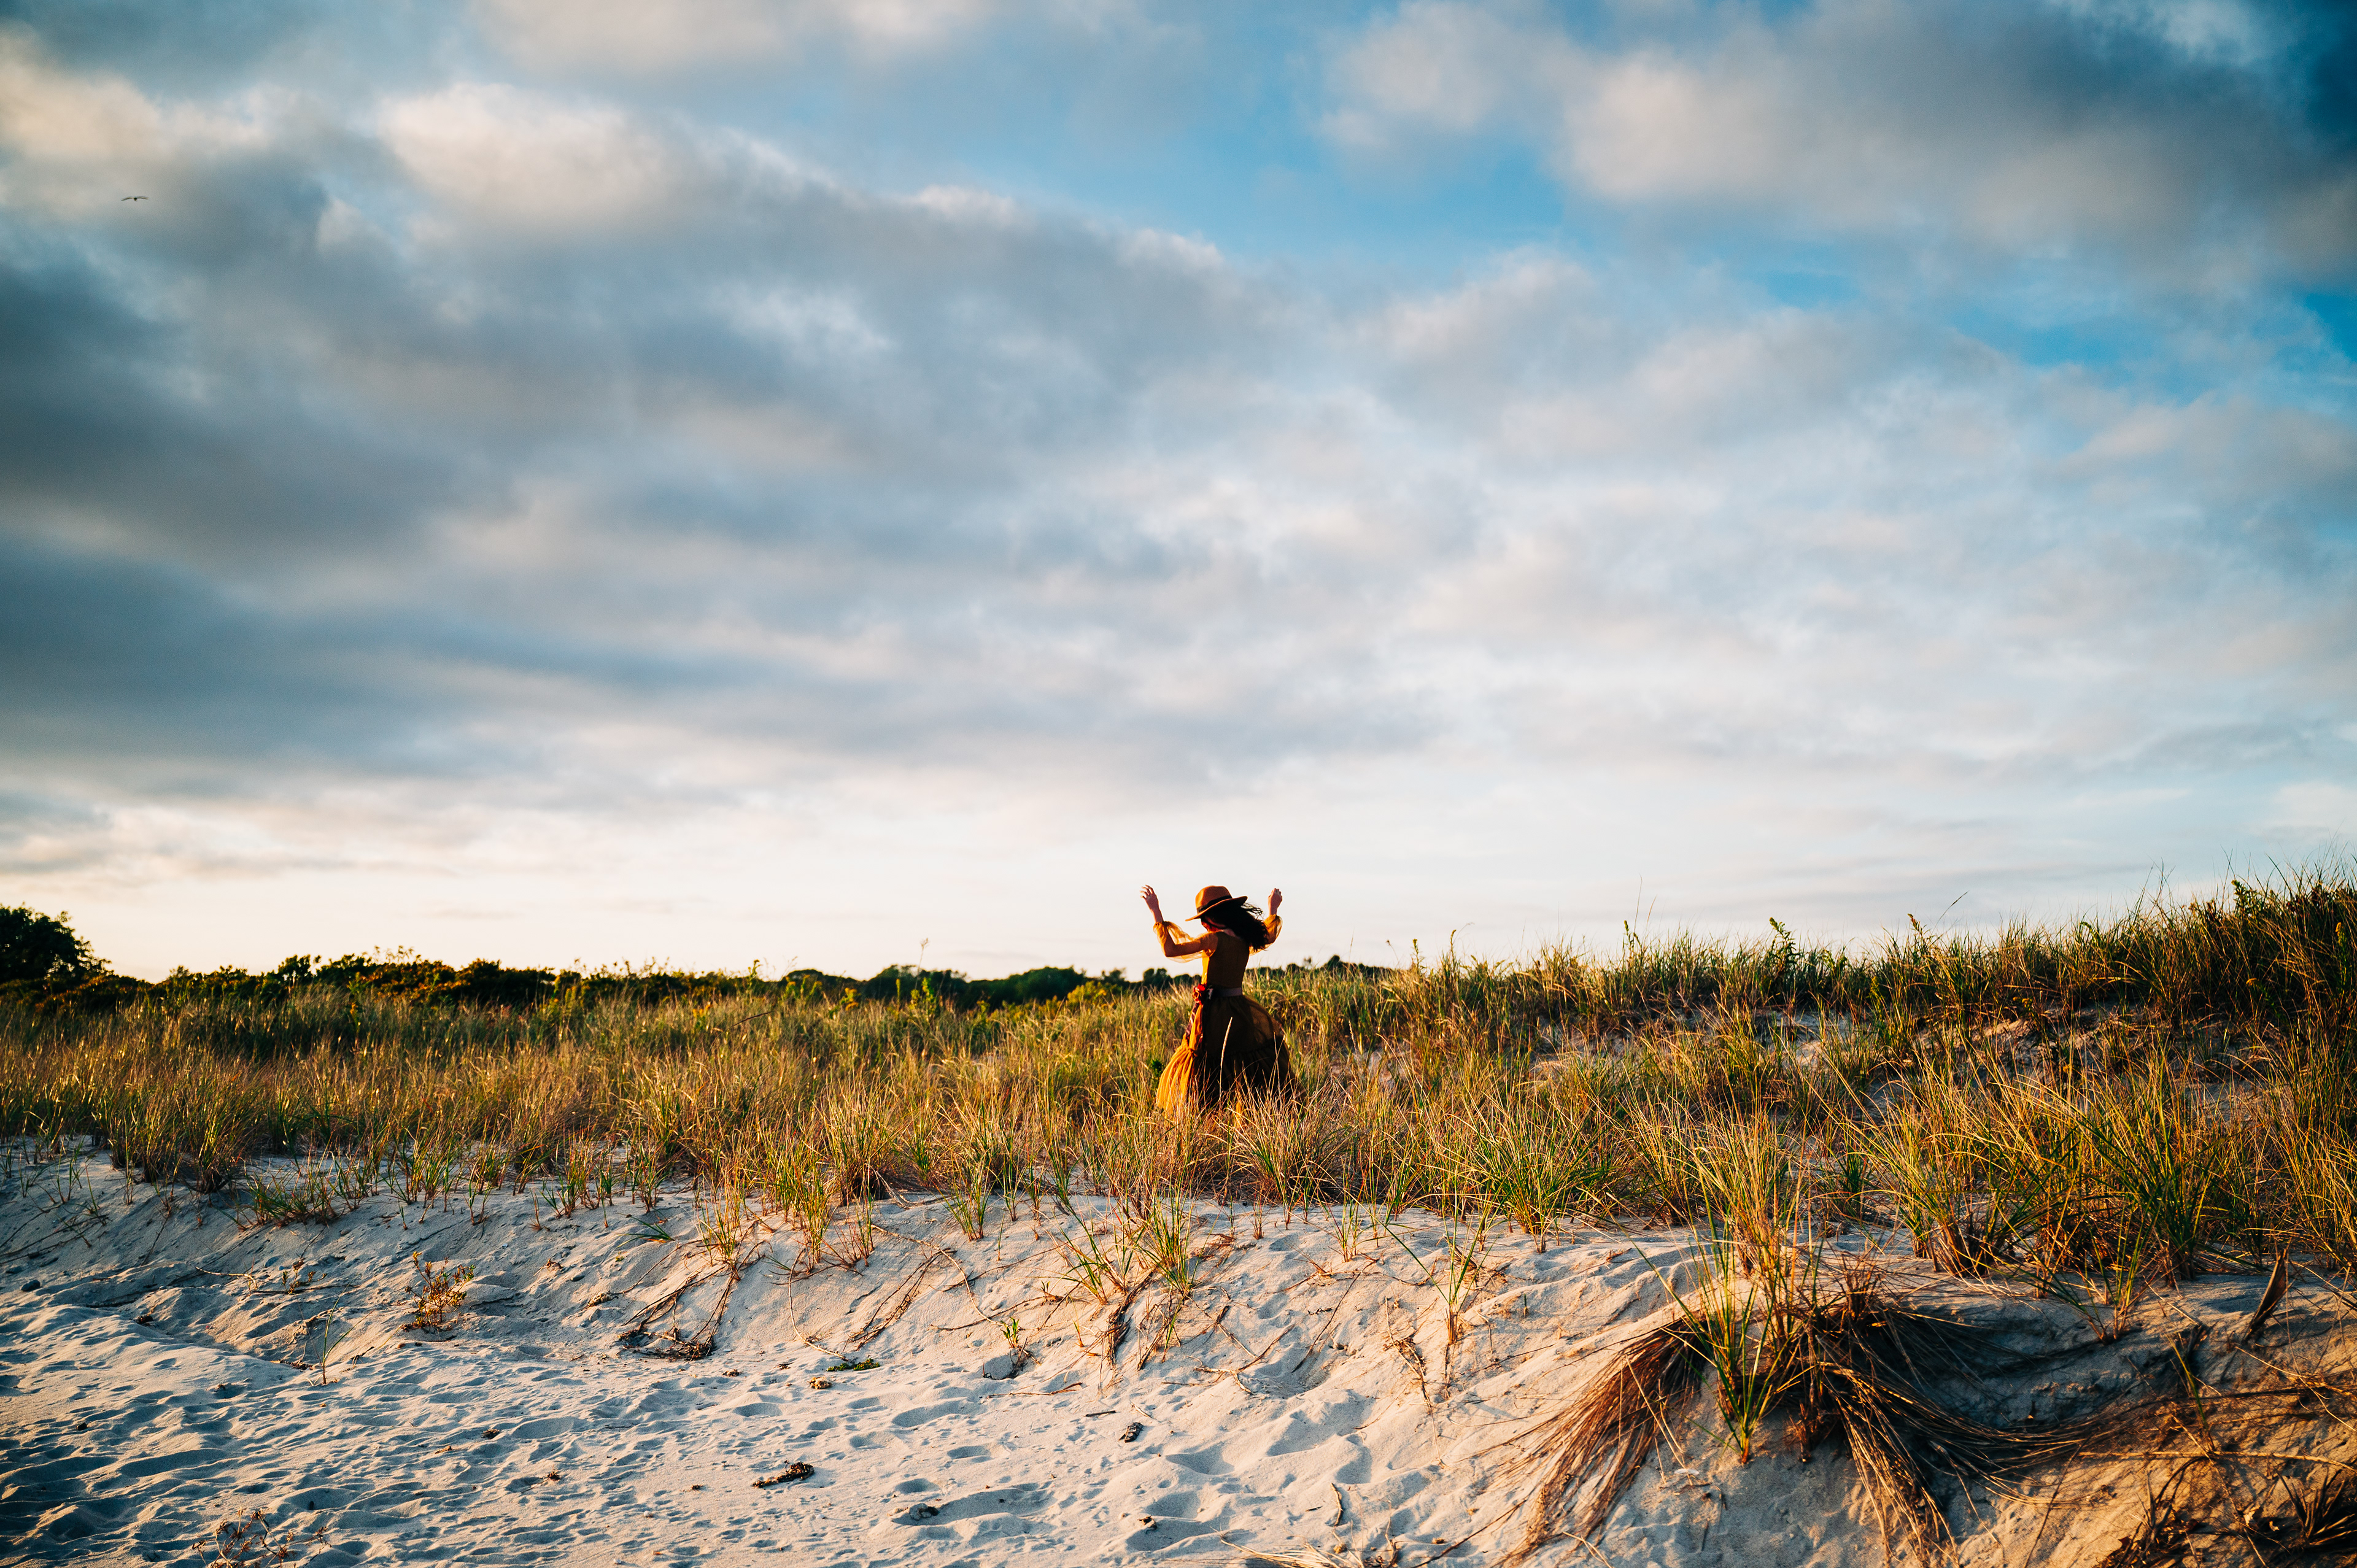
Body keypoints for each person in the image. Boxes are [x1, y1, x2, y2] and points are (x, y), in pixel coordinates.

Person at [1141, 883, 1291, 1113]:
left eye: (1203, 917)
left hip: (1213, 1014)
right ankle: (1251, 1112)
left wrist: (1156, 912)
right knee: (1244, 1062)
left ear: (1212, 917)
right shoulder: (1245, 937)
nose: (1202, 923)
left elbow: (1170, 950)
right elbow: (1269, 935)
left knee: (1205, 1064)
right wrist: (1273, 908)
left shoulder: (1212, 940)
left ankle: (1205, 1114)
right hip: (1240, 1012)